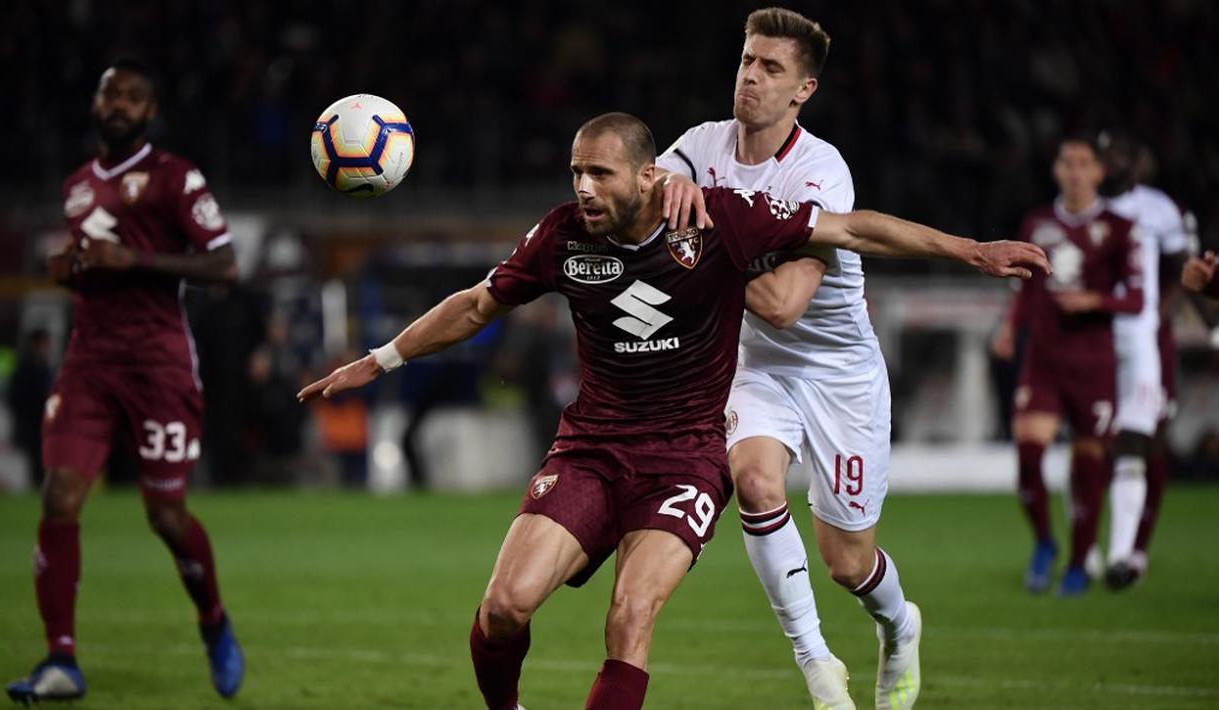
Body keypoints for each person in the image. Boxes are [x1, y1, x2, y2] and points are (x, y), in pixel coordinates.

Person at [299, 112, 1047, 710]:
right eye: (575, 172)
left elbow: (849, 227)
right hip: (589, 449)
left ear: (647, 174)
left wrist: (970, 250)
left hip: (684, 458)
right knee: (502, 608)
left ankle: (835, 648)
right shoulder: (560, 235)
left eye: (599, 172)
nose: (584, 187)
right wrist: (381, 358)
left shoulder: (721, 218)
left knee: (629, 618)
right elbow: (475, 305)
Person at [655, 9, 911, 708]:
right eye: (746, 61)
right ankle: (817, 663)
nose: (751, 78)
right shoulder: (699, 147)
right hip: (756, 364)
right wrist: (653, 187)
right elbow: (648, 190)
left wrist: (710, 221)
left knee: (846, 562)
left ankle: (899, 622)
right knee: (756, 482)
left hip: (838, 374)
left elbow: (782, 304)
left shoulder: (819, 171)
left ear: (803, 89)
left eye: (771, 69)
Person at [5, 59, 244, 704]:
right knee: (59, 499)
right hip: (89, 362)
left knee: (165, 515)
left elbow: (224, 265)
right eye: (110, 93)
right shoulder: (77, 185)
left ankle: (213, 620)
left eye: (133, 97)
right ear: (95, 103)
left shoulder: (175, 177)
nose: (119, 105)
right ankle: (61, 661)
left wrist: (131, 259)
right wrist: (74, 268)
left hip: (159, 363)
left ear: (150, 111)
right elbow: (94, 262)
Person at [991, 135, 1144, 597]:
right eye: (1067, 162)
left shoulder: (1120, 228)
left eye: (1084, 163)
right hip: (1044, 356)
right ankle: (1043, 543)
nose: (1075, 171)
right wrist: (1008, 325)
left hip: (1094, 362)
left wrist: (1095, 300)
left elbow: (1137, 298)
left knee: (1087, 467)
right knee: (1029, 453)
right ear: (1057, 170)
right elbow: (1026, 288)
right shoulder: (1037, 223)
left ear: (1099, 172)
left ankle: (1079, 561)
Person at [1098, 132, 1192, 589]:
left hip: (1145, 339)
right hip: (1091, 342)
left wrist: (1161, 316)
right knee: (1092, 446)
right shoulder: (1080, 213)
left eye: (1118, 153)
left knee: (1143, 441)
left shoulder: (1157, 210)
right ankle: (1090, 548)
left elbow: (1183, 273)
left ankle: (1129, 551)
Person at [8, 330, 54, 488]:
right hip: (31, 422)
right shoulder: (25, 368)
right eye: (44, 343)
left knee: (44, 455)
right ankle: (36, 484)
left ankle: (42, 484)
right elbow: (16, 397)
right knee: (34, 456)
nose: (47, 347)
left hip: (46, 421)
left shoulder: (46, 366)